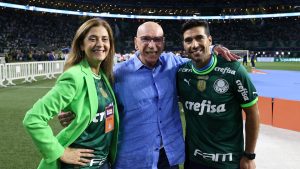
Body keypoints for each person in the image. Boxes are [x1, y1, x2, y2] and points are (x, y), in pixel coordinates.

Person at [59, 21, 239, 169]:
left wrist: (213, 47)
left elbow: (199, 57)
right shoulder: (116, 75)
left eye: (157, 40)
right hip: (132, 160)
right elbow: (95, 102)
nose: (152, 45)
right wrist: (74, 111)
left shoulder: (174, 64)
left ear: (163, 42)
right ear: (136, 42)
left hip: (168, 159)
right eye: (145, 39)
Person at [23, 18, 119, 169]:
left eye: (105, 39)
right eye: (92, 39)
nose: (100, 44)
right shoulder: (74, 77)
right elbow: (33, 118)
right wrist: (60, 152)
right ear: (81, 44)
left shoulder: (103, 76)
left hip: (103, 164)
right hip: (81, 166)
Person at [177, 20, 260, 169]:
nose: (194, 44)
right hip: (193, 160)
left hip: (227, 162)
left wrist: (249, 156)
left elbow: (252, 113)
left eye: (199, 38)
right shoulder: (181, 73)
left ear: (210, 40)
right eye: (188, 40)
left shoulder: (234, 70)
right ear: (183, 45)